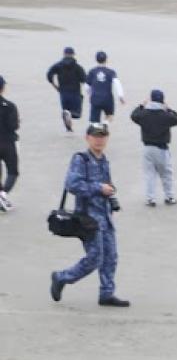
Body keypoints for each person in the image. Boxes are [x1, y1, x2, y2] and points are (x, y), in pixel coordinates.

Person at [50, 122, 127, 308]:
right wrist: (99, 188)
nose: (99, 140)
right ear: (87, 138)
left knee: (111, 256)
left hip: (105, 217)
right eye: (95, 136)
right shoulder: (81, 159)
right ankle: (61, 277)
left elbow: (107, 183)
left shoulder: (104, 160)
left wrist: (111, 195)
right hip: (88, 219)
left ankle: (107, 293)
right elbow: (72, 184)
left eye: (102, 136)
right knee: (95, 258)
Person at [130, 89, 177, 207]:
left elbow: (133, 115)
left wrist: (141, 105)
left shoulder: (144, 114)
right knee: (166, 174)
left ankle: (150, 199)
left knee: (149, 175)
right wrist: (168, 109)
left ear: (151, 99)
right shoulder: (166, 116)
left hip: (147, 148)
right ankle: (169, 197)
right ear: (162, 100)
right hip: (162, 148)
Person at [46, 47, 86, 133]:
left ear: (64, 54)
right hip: (75, 92)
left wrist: (54, 85)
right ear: (73, 55)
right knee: (77, 114)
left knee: (65, 110)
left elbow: (49, 74)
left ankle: (69, 129)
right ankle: (70, 115)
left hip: (63, 92)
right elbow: (84, 79)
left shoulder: (58, 66)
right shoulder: (77, 67)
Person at [85, 51, 123, 125]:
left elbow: (86, 86)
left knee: (94, 120)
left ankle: (95, 130)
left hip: (95, 98)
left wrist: (90, 94)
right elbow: (117, 83)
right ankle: (105, 125)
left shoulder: (92, 71)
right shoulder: (111, 72)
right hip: (107, 98)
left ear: (96, 59)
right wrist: (120, 96)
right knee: (109, 115)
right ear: (106, 59)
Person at [0, 76, 17, 212]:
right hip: (7, 142)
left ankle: (1, 198)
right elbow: (13, 126)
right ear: (3, 88)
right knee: (12, 171)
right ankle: (3, 194)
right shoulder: (10, 106)